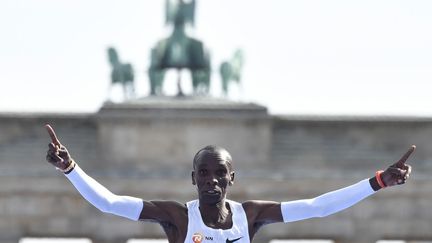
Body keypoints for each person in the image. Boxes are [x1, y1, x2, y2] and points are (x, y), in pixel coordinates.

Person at [44, 124, 414, 243]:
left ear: (231, 177)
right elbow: (110, 202)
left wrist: (378, 182)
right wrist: (70, 168)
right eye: (203, 172)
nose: (211, 179)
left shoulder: (250, 216)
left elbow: (317, 207)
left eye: (219, 172)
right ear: (193, 179)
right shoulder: (177, 218)